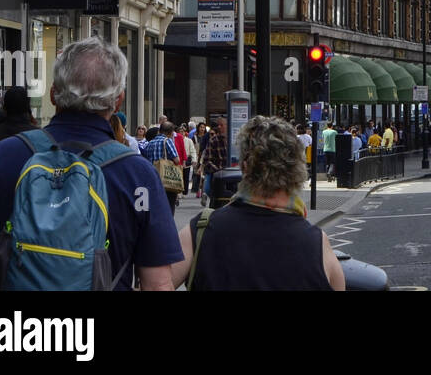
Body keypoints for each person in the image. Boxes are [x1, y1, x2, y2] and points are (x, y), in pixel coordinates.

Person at [0, 37, 182, 290]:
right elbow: (157, 285)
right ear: (118, 101)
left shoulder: (1, 157)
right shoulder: (138, 174)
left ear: (52, 95)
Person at [172, 115, 344, 291]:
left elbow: (158, 283)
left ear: (245, 167)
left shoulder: (201, 230)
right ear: (296, 169)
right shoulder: (317, 244)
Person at [142, 121, 182, 215]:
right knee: (169, 205)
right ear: (170, 132)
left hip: (152, 178)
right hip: (166, 179)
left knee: (156, 206)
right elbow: (176, 160)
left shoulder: (149, 143)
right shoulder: (167, 141)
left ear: (159, 130)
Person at [200, 116, 229, 206]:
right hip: (217, 174)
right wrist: (218, 170)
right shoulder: (213, 140)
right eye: (218, 125)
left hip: (231, 174)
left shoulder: (234, 140)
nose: (219, 127)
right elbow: (207, 160)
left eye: (221, 125)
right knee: (211, 192)